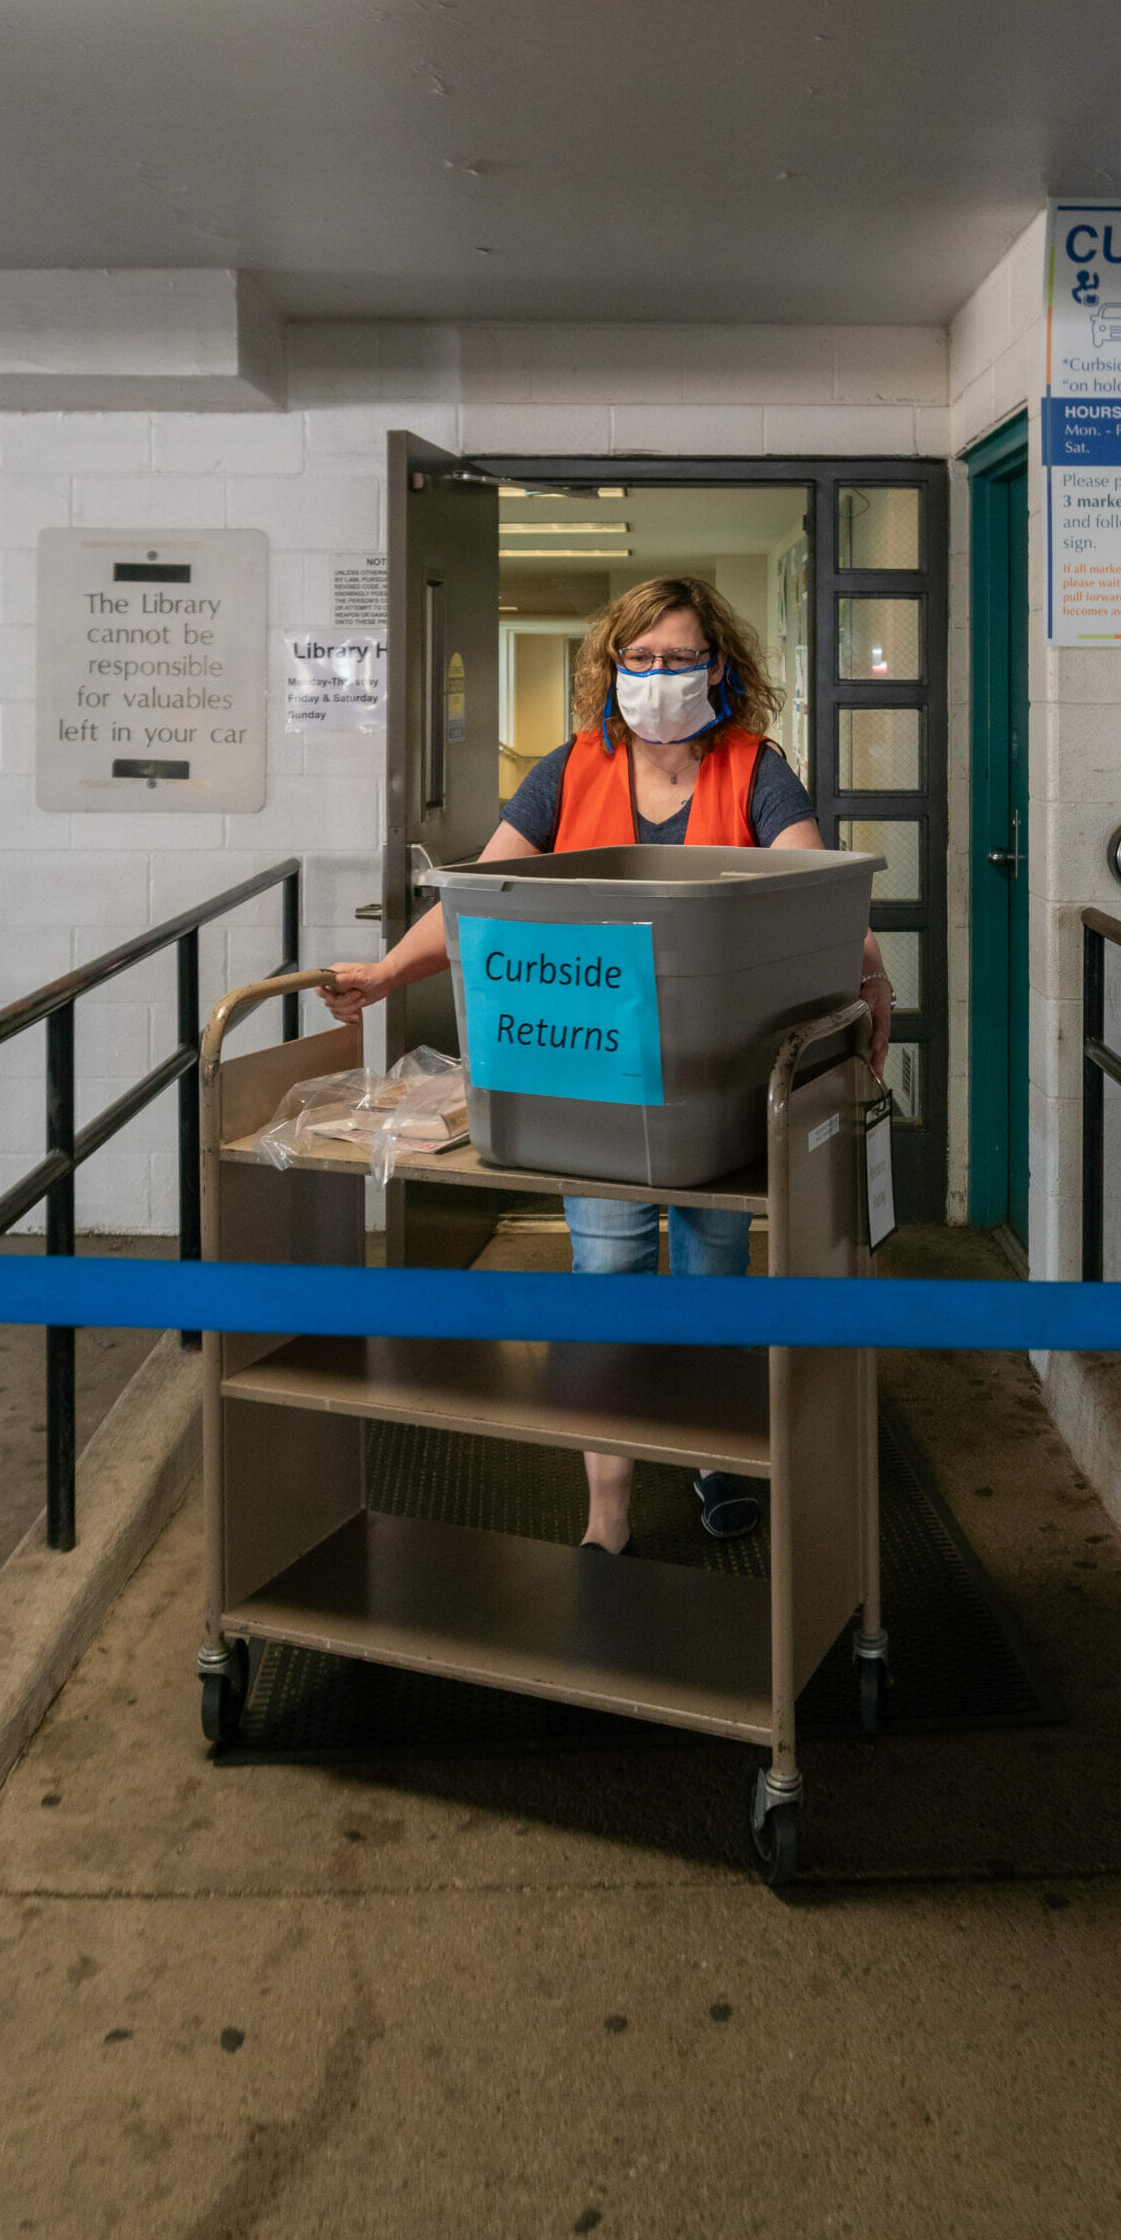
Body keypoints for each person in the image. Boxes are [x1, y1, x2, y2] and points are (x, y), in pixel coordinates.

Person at [323, 573, 891, 1556]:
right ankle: (607, 1507)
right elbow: (477, 890)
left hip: (718, 1078)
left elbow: (812, 888)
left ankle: (712, 1450)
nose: (659, 675)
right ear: (612, 666)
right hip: (594, 1075)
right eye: (641, 658)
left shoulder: (758, 769)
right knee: (609, 1264)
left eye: (679, 658)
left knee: (712, 1261)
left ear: (719, 666)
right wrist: (383, 972)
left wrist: (867, 965)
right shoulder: (569, 770)